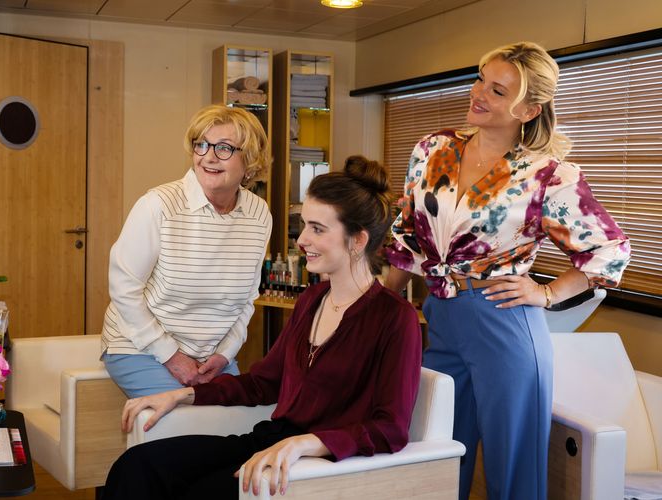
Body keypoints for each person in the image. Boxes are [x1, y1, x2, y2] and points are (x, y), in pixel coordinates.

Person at [385, 42, 631, 500]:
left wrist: (547, 293)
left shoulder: (546, 175)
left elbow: (609, 249)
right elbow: (407, 236)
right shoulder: (433, 149)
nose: (478, 93)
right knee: (434, 459)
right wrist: (381, 303)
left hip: (503, 320)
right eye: (481, 80)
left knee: (512, 470)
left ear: (529, 110)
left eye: (497, 91)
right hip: (439, 317)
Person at [102, 156, 423, 500]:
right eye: (304, 225)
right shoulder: (312, 300)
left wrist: (305, 444)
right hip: (270, 440)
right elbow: (263, 383)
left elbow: (390, 429)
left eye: (317, 229)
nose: (302, 240)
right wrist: (186, 394)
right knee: (138, 465)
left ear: (357, 240)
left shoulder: (394, 317)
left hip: (317, 463)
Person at [101, 104, 273, 398]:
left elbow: (247, 299)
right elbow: (124, 289)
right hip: (140, 349)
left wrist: (226, 354)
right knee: (189, 417)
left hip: (212, 359)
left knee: (241, 420)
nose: (208, 157)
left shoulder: (259, 214)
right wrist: (170, 355)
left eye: (223, 148)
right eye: (201, 145)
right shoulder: (159, 205)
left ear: (251, 160)